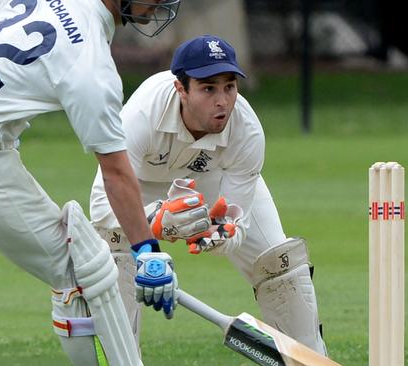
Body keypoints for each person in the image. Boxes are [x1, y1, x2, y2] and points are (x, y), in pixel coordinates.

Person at [0, 1, 203, 365]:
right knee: (83, 272)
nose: (160, 2)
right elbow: (116, 172)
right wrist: (147, 253)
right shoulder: (90, 64)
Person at [90, 34, 329, 355]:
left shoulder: (247, 131)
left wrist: (221, 235)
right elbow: (105, 198)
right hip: (142, 185)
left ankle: (311, 357)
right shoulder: (141, 115)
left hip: (214, 181)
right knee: (115, 250)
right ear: (181, 89)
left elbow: (235, 223)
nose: (223, 101)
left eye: (229, 87)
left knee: (279, 264)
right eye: (208, 88)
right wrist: (156, 220)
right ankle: (121, 361)